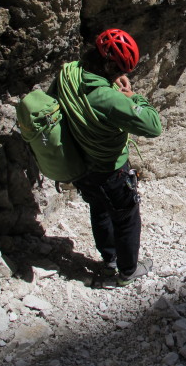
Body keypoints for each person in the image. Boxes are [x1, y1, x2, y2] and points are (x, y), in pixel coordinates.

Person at [54, 28, 162, 286]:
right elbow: (153, 125)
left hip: (82, 166)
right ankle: (127, 272)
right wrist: (132, 96)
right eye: (118, 71)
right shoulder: (107, 99)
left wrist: (112, 82)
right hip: (110, 171)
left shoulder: (68, 73)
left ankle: (110, 260)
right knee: (126, 217)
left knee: (99, 210)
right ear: (109, 67)